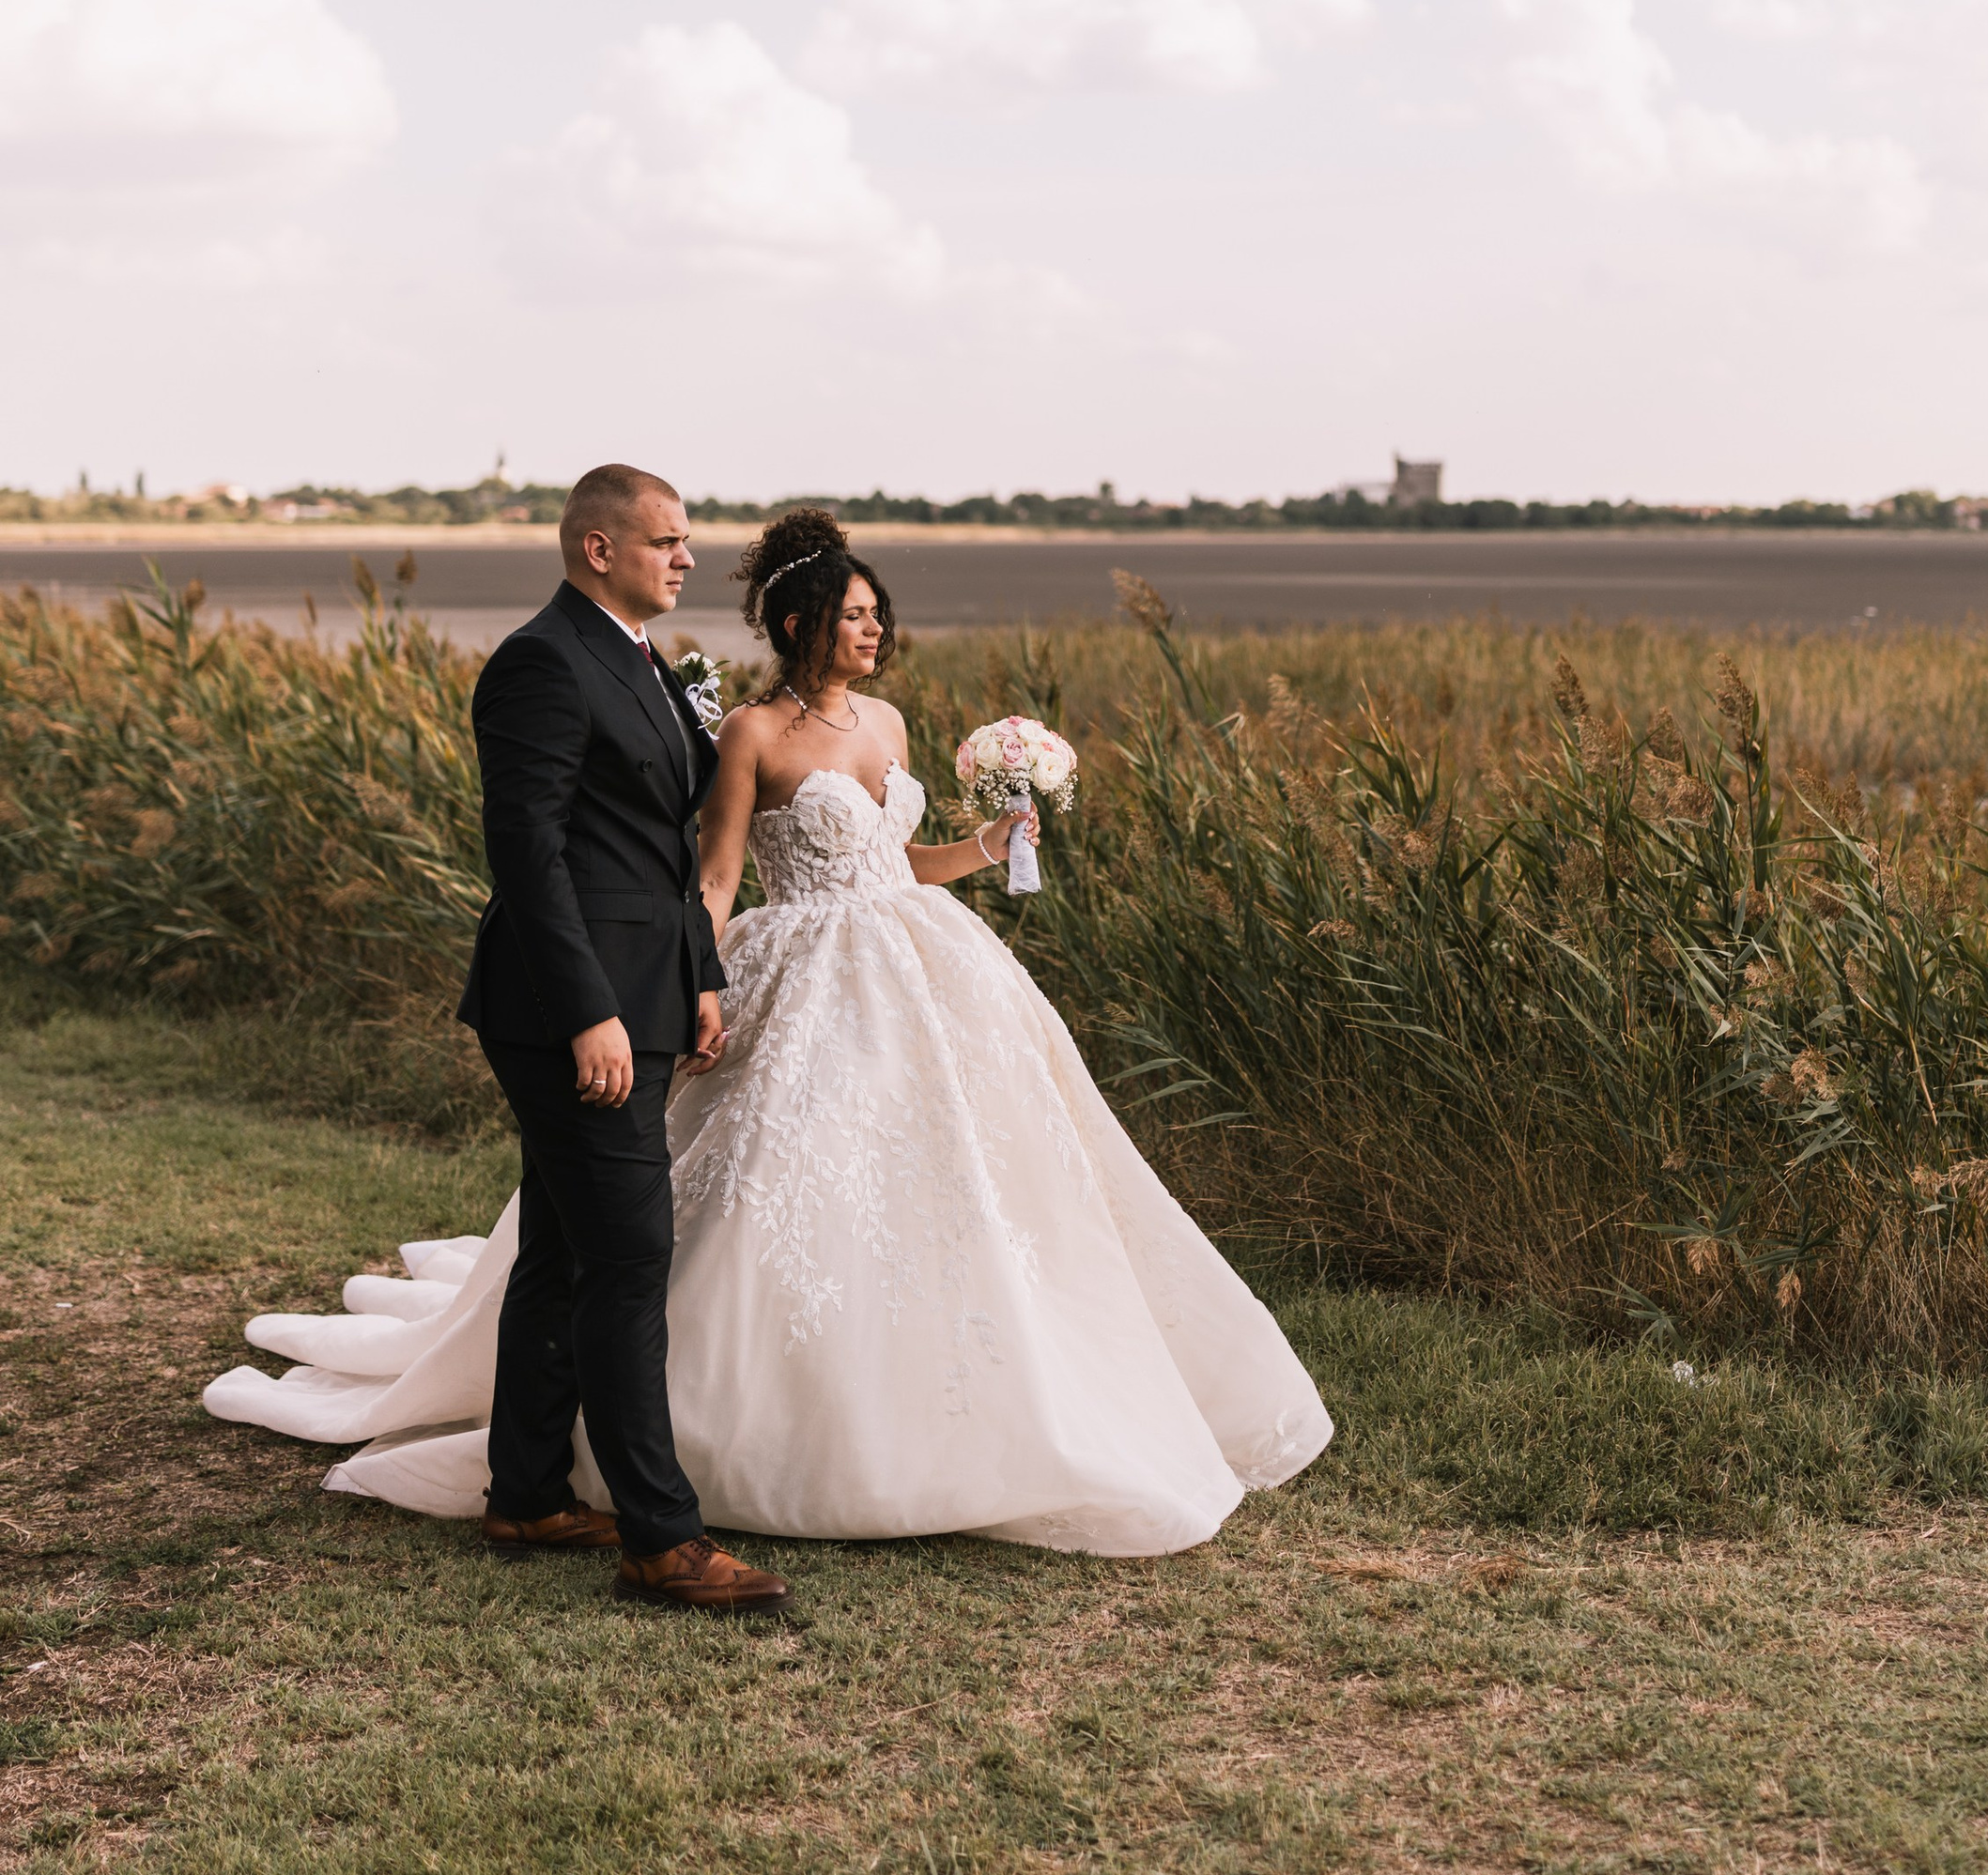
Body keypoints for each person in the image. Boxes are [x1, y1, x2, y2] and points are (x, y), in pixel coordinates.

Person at [206, 507, 1331, 1556]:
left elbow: (895, 861)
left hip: (924, 967)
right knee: (784, 1179)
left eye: (878, 612)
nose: (875, 629)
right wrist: (699, 982)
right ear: (799, 625)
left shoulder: (887, 721)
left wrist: (990, 846)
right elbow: (717, 875)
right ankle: (714, 1429)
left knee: (964, 1183)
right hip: (803, 973)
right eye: (854, 614)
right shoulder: (747, 731)